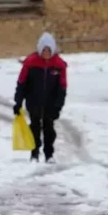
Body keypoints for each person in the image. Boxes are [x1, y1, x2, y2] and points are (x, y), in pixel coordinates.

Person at [13, 32, 67, 163]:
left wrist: (58, 106)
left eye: (49, 50)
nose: (46, 53)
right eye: (44, 50)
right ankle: (34, 153)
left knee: (49, 128)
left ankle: (49, 154)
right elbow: (21, 83)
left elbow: (62, 87)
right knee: (35, 128)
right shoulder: (30, 63)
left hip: (50, 103)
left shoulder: (59, 65)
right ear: (40, 49)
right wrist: (18, 102)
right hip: (33, 102)